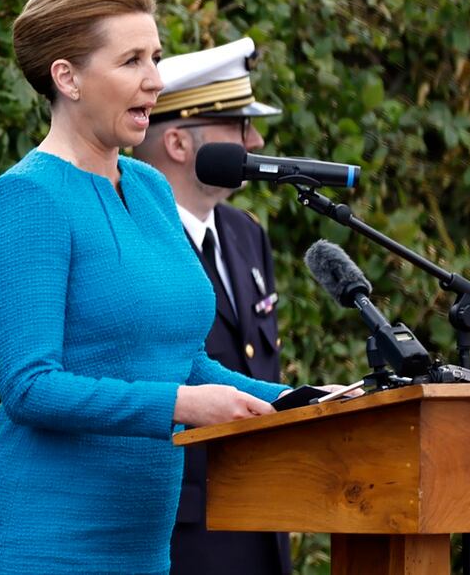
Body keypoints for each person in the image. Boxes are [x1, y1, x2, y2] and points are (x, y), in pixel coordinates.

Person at [0, 0, 293, 575]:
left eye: (156, 58)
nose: (155, 80)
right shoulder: (26, 199)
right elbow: (30, 386)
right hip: (44, 536)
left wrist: (302, 400)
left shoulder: (149, 188)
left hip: (142, 540)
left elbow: (184, 362)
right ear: (68, 78)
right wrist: (181, 404)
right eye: (132, 60)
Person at [133, 38, 292, 575]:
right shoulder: (138, 236)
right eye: (240, 127)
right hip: (183, 528)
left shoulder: (245, 233)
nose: (257, 142)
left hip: (263, 513)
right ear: (179, 143)